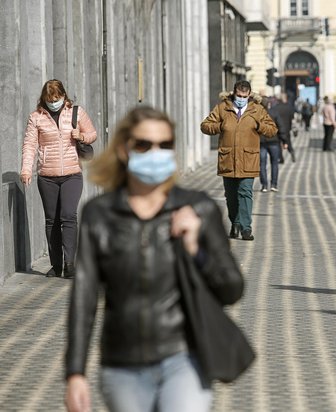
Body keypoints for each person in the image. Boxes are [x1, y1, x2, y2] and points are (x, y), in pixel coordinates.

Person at [65, 107, 245, 412]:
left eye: (165, 145)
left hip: (184, 357)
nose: (155, 153)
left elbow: (232, 289)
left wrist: (195, 249)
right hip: (122, 363)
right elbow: (83, 297)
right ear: (124, 149)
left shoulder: (198, 208)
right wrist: (75, 372)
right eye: (144, 145)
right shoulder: (100, 215)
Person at [20, 79, 97, 279]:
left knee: (69, 216)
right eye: (49, 99)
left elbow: (92, 134)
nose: (53, 102)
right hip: (47, 176)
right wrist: (26, 170)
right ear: (44, 98)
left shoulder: (75, 112)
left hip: (72, 174)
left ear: (63, 96)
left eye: (57, 98)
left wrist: (81, 136)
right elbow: (29, 145)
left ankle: (70, 263)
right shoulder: (36, 117)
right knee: (51, 220)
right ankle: (56, 265)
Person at [200, 80, 277, 241]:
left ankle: (246, 228)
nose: (241, 99)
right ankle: (235, 223)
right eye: (239, 95)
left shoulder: (257, 110)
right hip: (228, 159)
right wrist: (219, 126)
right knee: (231, 195)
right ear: (234, 93)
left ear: (249, 95)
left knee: (245, 193)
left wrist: (260, 126)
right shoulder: (223, 107)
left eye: (244, 96)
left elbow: (272, 130)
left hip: (248, 159)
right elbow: (205, 125)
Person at [259, 94, 281, 192]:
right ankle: (274, 184)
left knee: (262, 164)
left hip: (261, 142)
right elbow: (280, 127)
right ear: (269, 104)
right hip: (273, 141)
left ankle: (264, 185)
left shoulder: (257, 114)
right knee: (274, 163)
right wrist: (284, 140)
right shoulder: (275, 113)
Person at [270, 93, 296, 164]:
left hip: (278, 127)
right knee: (288, 141)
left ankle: (281, 158)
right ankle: (291, 151)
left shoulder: (275, 108)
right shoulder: (289, 107)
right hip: (287, 127)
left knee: (278, 143)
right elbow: (292, 117)